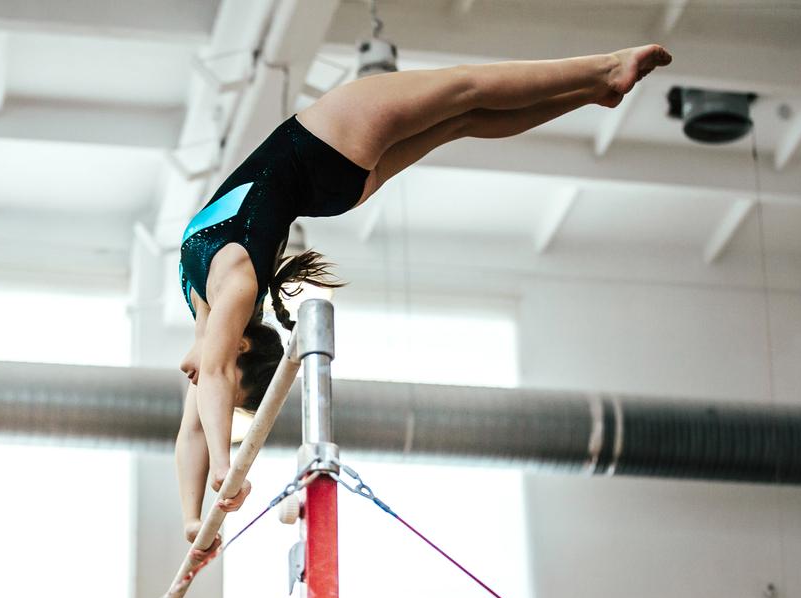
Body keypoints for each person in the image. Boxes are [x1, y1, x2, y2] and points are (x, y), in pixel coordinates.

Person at [175, 45, 673, 553]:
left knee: (465, 119)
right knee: (464, 90)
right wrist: (215, 486)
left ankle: (594, 90)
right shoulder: (233, 286)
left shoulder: (210, 310)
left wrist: (203, 502)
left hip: (328, 175)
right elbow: (208, 397)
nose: (197, 381)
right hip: (323, 143)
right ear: (238, 346)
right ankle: (606, 70)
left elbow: (196, 423)